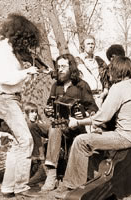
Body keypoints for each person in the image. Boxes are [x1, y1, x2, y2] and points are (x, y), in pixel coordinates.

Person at [53, 56, 131, 199]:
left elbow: (103, 116)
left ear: (116, 70)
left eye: (111, 71)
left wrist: (78, 122)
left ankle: (72, 186)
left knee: (80, 141)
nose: (109, 74)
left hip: (124, 137)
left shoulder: (118, 87)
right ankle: (88, 181)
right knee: (92, 139)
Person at [0, 13, 41, 198]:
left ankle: (7, 187)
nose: (26, 44)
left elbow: (14, 79)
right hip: (6, 98)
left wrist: (27, 73)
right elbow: (5, 79)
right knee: (26, 140)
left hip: (12, 99)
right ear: (19, 34)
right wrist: (26, 71)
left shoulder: (8, 49)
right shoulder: (2, 49)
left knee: (17, 145)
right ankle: (21, 188)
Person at [41, 53, 98, 191]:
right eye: (58, 66)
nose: (60, 69)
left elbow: (93, 108)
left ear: (71, 67)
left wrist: (83, 114)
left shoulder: (81, 85)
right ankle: (49, 172)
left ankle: (53, 175)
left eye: (63, 66)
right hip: (58, 125)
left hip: (75, 127)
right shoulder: (56, 86)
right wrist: (47, 110)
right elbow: (50, 106)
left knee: (55, 128)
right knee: (41, 127)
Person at [76, 35, 107, 107]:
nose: (91, 46)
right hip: (85, 97)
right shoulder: (77, 60)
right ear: (83, 46)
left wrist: (104, 93)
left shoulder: (99, 61)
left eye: (92, 44)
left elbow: (106, 78)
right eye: (88, 44)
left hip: (99, 96)